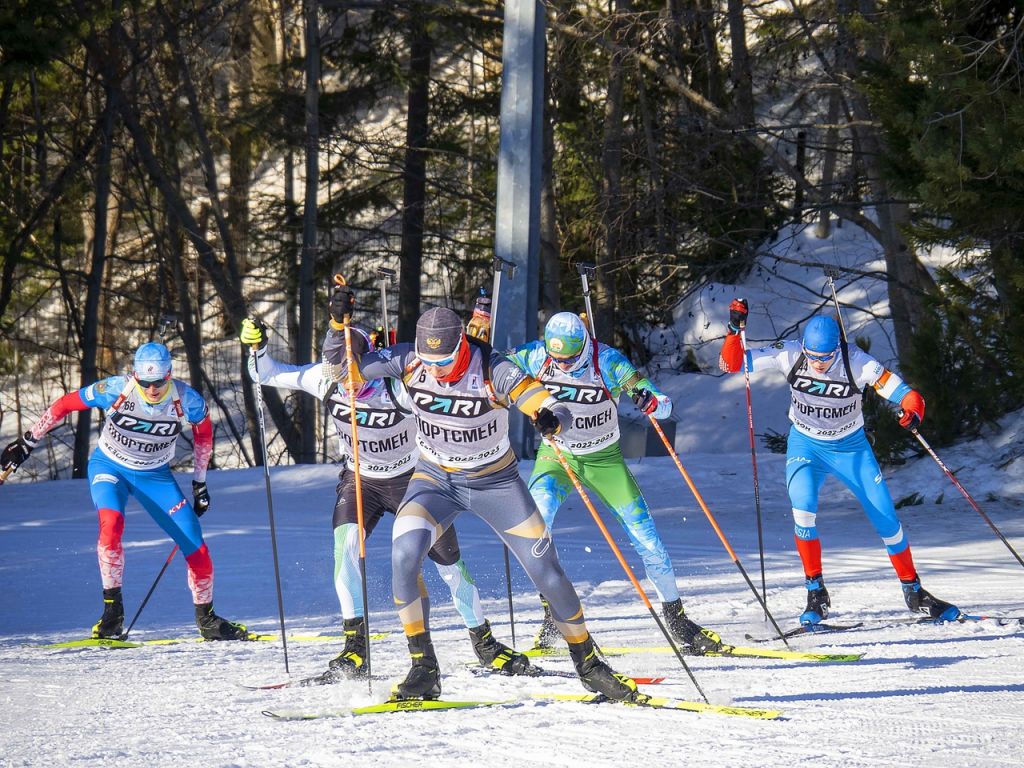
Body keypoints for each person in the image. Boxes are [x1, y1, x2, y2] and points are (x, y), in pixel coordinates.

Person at [323, 288, 639, 702]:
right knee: (404, 555)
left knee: (546, 570)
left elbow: (545, 400)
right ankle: (423, 668)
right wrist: (336, 327)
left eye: (444, 362)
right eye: (428, 362)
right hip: (435, 480)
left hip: (496, 483)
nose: (434, 371)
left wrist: (550, 418)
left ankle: (589, 664)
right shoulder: (408, 360)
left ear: (461, 346)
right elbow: (343, 371)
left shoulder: (494, 368)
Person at [239, 317, 531, 679]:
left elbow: (450, 397)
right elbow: (263, 374)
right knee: (344, 549)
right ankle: (355, 649)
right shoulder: (323, 379)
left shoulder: (397, 387)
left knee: (448, 566)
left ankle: (484, 642)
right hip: (361, 481)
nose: (343, 383)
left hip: (413, 480)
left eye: (349, 373)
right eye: (336, 374)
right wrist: (258, 347)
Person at [719, 299, 961, 624]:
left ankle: (913, 590)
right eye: (813, 356)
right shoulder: (789, 353)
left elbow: (905, 392)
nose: (818, 363)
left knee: (887, 521)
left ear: (838, 348)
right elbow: (731, 364)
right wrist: (735, 329)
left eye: (825, 357)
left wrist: (912, 410)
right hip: (807, 445)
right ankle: (815, 592)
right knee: (802, 510)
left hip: (851, 448)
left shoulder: (858, 363)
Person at [508, 311, 724, 654]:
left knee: (648, 541)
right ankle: (553, 617)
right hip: (557, 458)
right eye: (557, 359)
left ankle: (678, 619)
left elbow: (664, 405)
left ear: (584, 346)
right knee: (538, 528)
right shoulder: (536, 356)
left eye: (570, 358)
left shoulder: (606, 361)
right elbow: (496, 371)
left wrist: (649, 401)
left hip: (604, 461)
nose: (562, 365)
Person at [0, 342, 249, 640]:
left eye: (159, 382)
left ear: (169, 375)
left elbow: (204, 437)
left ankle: (207, 620)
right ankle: (112, 613)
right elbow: (65, 404)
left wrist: (199, 483)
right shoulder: (116, 388)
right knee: (112, 525)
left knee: (198, 548)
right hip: (110, 467)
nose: (153, 389)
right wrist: (28, 441)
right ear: (134, 375)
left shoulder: (187, 399)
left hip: (154, 477)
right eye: (145, 382)